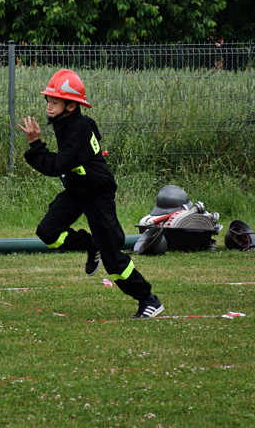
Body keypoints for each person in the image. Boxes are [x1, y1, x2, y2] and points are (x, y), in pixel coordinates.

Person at [17, 69, 164, 319]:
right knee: (48, 232)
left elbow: (56, 166)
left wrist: (35, 144)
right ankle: (90, 243)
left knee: (113, 260)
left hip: (96, 193)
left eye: (54, 102)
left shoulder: (77, 128)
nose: (49, 107)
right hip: (76, 189)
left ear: (72, 106)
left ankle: (149, 300)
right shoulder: (68, 122)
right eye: (48, 101)